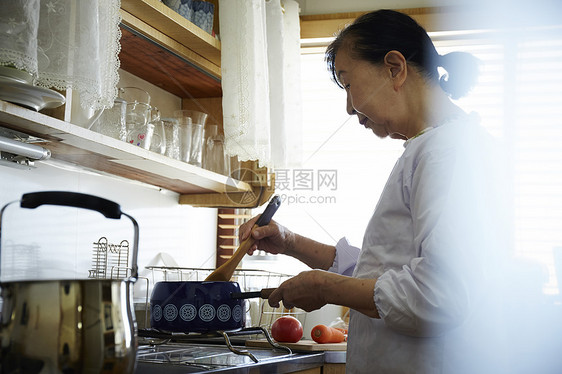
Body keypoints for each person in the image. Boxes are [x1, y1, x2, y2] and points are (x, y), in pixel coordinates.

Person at [240, 9, 508, 374]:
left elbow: (440, 295)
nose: (349, 107)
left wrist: (324, 287)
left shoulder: (450, 152)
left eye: (348, 83)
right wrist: (289, 242)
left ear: (394, 68)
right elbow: (379, 272)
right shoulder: (432, 147)